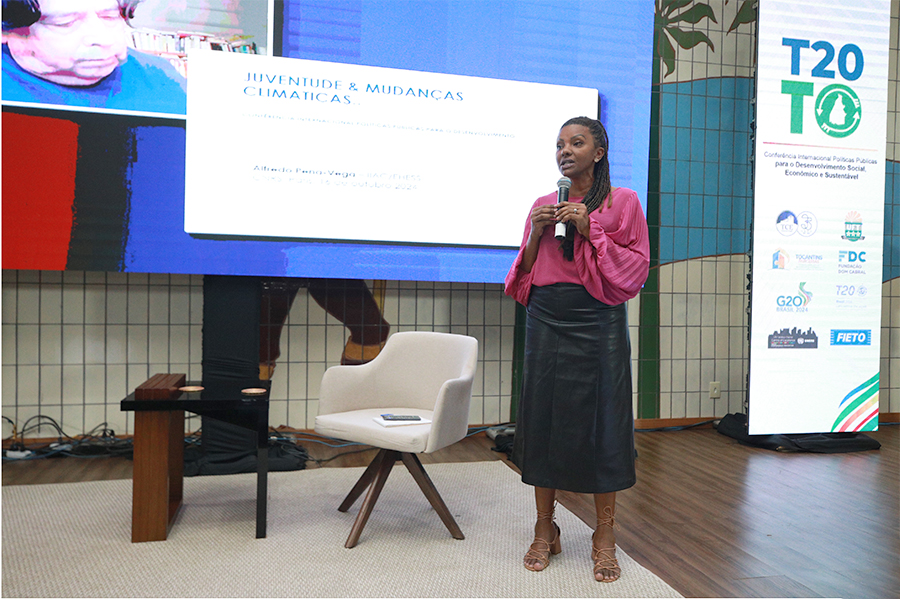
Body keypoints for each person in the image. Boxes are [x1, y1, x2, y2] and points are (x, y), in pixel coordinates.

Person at [504, 116, 649, 582]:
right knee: (542, 421)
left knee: (605, 423)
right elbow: (525, 271)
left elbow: (636, 268)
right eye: (560, 144)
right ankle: (545, 527)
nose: (565, 151)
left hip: (598, 319)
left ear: (599, 152)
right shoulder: (543, 204)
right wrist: (535, 233)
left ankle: (604, 534)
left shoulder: (624, 202)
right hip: (546, 316)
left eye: (577, 143)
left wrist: (591, 229)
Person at [2, 0, 186, 114]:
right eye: (64, 23)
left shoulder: (165, 80)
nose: (103, 38)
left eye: (110, 17)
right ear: (5, 32)